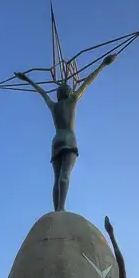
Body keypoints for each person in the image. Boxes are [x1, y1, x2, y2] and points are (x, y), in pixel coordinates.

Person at [14, 55, 117, 212]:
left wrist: (28, 79)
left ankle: (57, 209)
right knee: (65, 174)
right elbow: (87, 81)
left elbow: (41, 93)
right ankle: (61, 208)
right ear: (69, 93)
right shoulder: (72, 100)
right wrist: (103, 64)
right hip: (69, 138)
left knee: (56, 179)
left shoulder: (53, 106)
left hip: (56, 140)